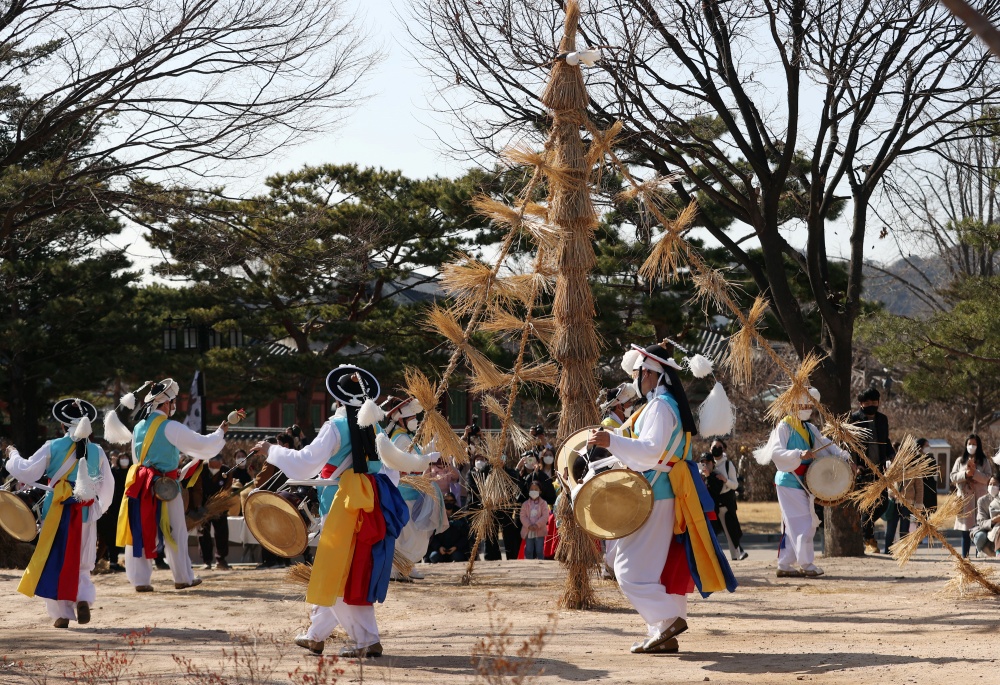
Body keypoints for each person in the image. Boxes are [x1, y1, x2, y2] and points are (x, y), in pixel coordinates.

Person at [254, 365, 428, 659]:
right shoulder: (374, 427)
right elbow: (390, 471)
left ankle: (366, 640)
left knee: (336, 573)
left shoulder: (335, 426)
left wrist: (271, 451)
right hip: (370, 505)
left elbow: (305, 463)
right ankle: (315, 635)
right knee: (348, 569)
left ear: (337, 398)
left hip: (340, 510)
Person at [587, 342, 736, 655]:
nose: (636, 379)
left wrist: (610, 440)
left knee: (624, 567)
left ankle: (665, 620)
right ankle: (662, 631)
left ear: (649, 374)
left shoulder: (660, 406)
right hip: (664, 489)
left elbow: (651, 450)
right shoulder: (663, 404)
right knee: (656, 566)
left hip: (657, 492)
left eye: (638, 373)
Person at [5, 399, 114, 628]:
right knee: (82, 561)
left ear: (63, 425)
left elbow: (25, 472)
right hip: (85, 512)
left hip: (57, 513)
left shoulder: (52, 446)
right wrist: (98, 509)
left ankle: (61, 614)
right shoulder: (98, 451)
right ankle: (82, 598)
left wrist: (12, 454)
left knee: (54, 560)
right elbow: (108, 487)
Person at [112, 378, 229, 592]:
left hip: (140, 482)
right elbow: (200, 444)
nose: (174, 406)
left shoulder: (138, 427)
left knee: (140, 528)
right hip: (165, 485)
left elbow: (136, 456)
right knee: (176, 531)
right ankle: (183, 577)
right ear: (166, 404)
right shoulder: (170, 426)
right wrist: (220, 433)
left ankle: (140, 580)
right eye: (173, 402)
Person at [766, 387, 853, 578]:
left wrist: (845, 457)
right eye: (803, 404)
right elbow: (775, 452)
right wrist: (798, 454)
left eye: (809, 404)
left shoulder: (809, 428)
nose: (807, 408)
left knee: (793, 524)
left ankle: (785, 564)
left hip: (803, 481)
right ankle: (806, 564)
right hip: (789, 480)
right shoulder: (784, 426)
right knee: (805, 523)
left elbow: (824, 445)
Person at [381, 395, 447, 582]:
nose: (414, 421)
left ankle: (407, 566)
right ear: (400, 419)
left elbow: (418, 455)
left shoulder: (408, 437)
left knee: (416, 533)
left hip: (413, 491)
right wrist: (427, 459)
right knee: (407, 533)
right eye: (411, 418)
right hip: (404, 491)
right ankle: (397, 568)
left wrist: (432, 445)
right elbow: (407, 463)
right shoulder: (400, 439)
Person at [848, 387, 894, 554]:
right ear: (861, 403)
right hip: (862, 471)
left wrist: (891, 455)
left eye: (874, 402)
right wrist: (855, 465)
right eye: (867, 402)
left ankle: (864, 528)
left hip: (879, 468)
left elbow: (886, 440)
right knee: (867, 505)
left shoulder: (882, 419)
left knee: (883, 503)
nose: (871, 405)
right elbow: (849, 446)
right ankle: (868, 539)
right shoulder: (854, 419)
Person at [187, 454, 233, 570]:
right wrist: (199, 506)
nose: (215, 466)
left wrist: (220, 503)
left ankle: (221, 560)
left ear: (221, 462)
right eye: (213, 463)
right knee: (203, 533)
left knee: (222, 533)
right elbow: (197, 489)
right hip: (203, 504)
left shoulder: (226, 471)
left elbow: (227, 489)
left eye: (218, 463)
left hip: (219, 506)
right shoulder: (202, 469)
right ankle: (207, 561)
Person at [951, 434, 992, 558]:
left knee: (979, 529)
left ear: (978, 445)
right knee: (965, 530)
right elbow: (953, 477)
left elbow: (988, 478)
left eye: (974, 444)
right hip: (965, 499)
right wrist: (965, 474)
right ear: (966, 445)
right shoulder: (960, 460)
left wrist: (975, 473)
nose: (971, 446)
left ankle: (979, 554)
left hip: (980, 498)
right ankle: (965, 556)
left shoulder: (984, 461)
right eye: (969, 444)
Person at [709, 439, 746, 560]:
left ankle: (736, 555)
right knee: (711, 532)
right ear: (710, 449)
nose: (717, 449)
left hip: (726, 502)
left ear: (724, 449)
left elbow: (735, 485)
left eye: (720, 447)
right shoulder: (707, 464)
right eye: (714, 447)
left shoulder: (727, 464)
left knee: (730, 530)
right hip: (712, 503)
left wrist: (725, 480)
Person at [882, 445, 922, 554]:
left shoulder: (914, 469)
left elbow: (919, 488)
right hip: (894, 502)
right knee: (891, 528)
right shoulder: (893, 467)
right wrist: (892, 494)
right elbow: (886, 484)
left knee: (904, 529)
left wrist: (918, 505)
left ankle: (902, 552)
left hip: (907, 503)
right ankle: (887, 550)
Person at [96, 451, 130, 572]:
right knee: (112, 536)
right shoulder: (115, 472)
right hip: (114, 509)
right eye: (122, 458)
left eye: (126, 457)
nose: (124, 460)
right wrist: (113, 465)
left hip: (128, 507)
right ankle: (113, 562)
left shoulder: (131, 472)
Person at [428, 494, 469, 563]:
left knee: (457, 557)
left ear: (454, 502)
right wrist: (439, 547)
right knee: (434, 557)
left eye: (451, 501)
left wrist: (456, 547)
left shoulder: (460, 515)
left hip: (455, 550)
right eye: (446, 501)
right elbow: (431, 535)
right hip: (440, 550)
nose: (448, 503)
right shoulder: (436, 515)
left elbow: (465, 536)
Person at [520, 482, 550, 559]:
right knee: (529, 549)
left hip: (539, 530)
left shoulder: (543, 503)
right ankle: (529, 565)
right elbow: (522, 516)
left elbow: (545, 516)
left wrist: (537, 525)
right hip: (528, 530)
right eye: (532, 489)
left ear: (540, 491)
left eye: (536, 489)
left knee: (539, 550)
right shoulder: (525, 504)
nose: (534, 491)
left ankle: (541, 564)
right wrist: (529, 525)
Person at [972, 477, 1000, 557]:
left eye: (995, 484)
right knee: (980, 537)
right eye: (990, 484)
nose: (991, 486)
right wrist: (993, 520)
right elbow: (981, 522)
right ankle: (983, 554)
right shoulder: (982, 500)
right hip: (985, 528)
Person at [916, 438, 938, 512]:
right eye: (926, 445)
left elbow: (933, 470)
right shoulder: (915, 458)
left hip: (929, 487)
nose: (928, 447)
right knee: (917, 513)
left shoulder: (931, 457)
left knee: (927, 511)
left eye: (928, 445)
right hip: (917, 487)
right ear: (920, 447)